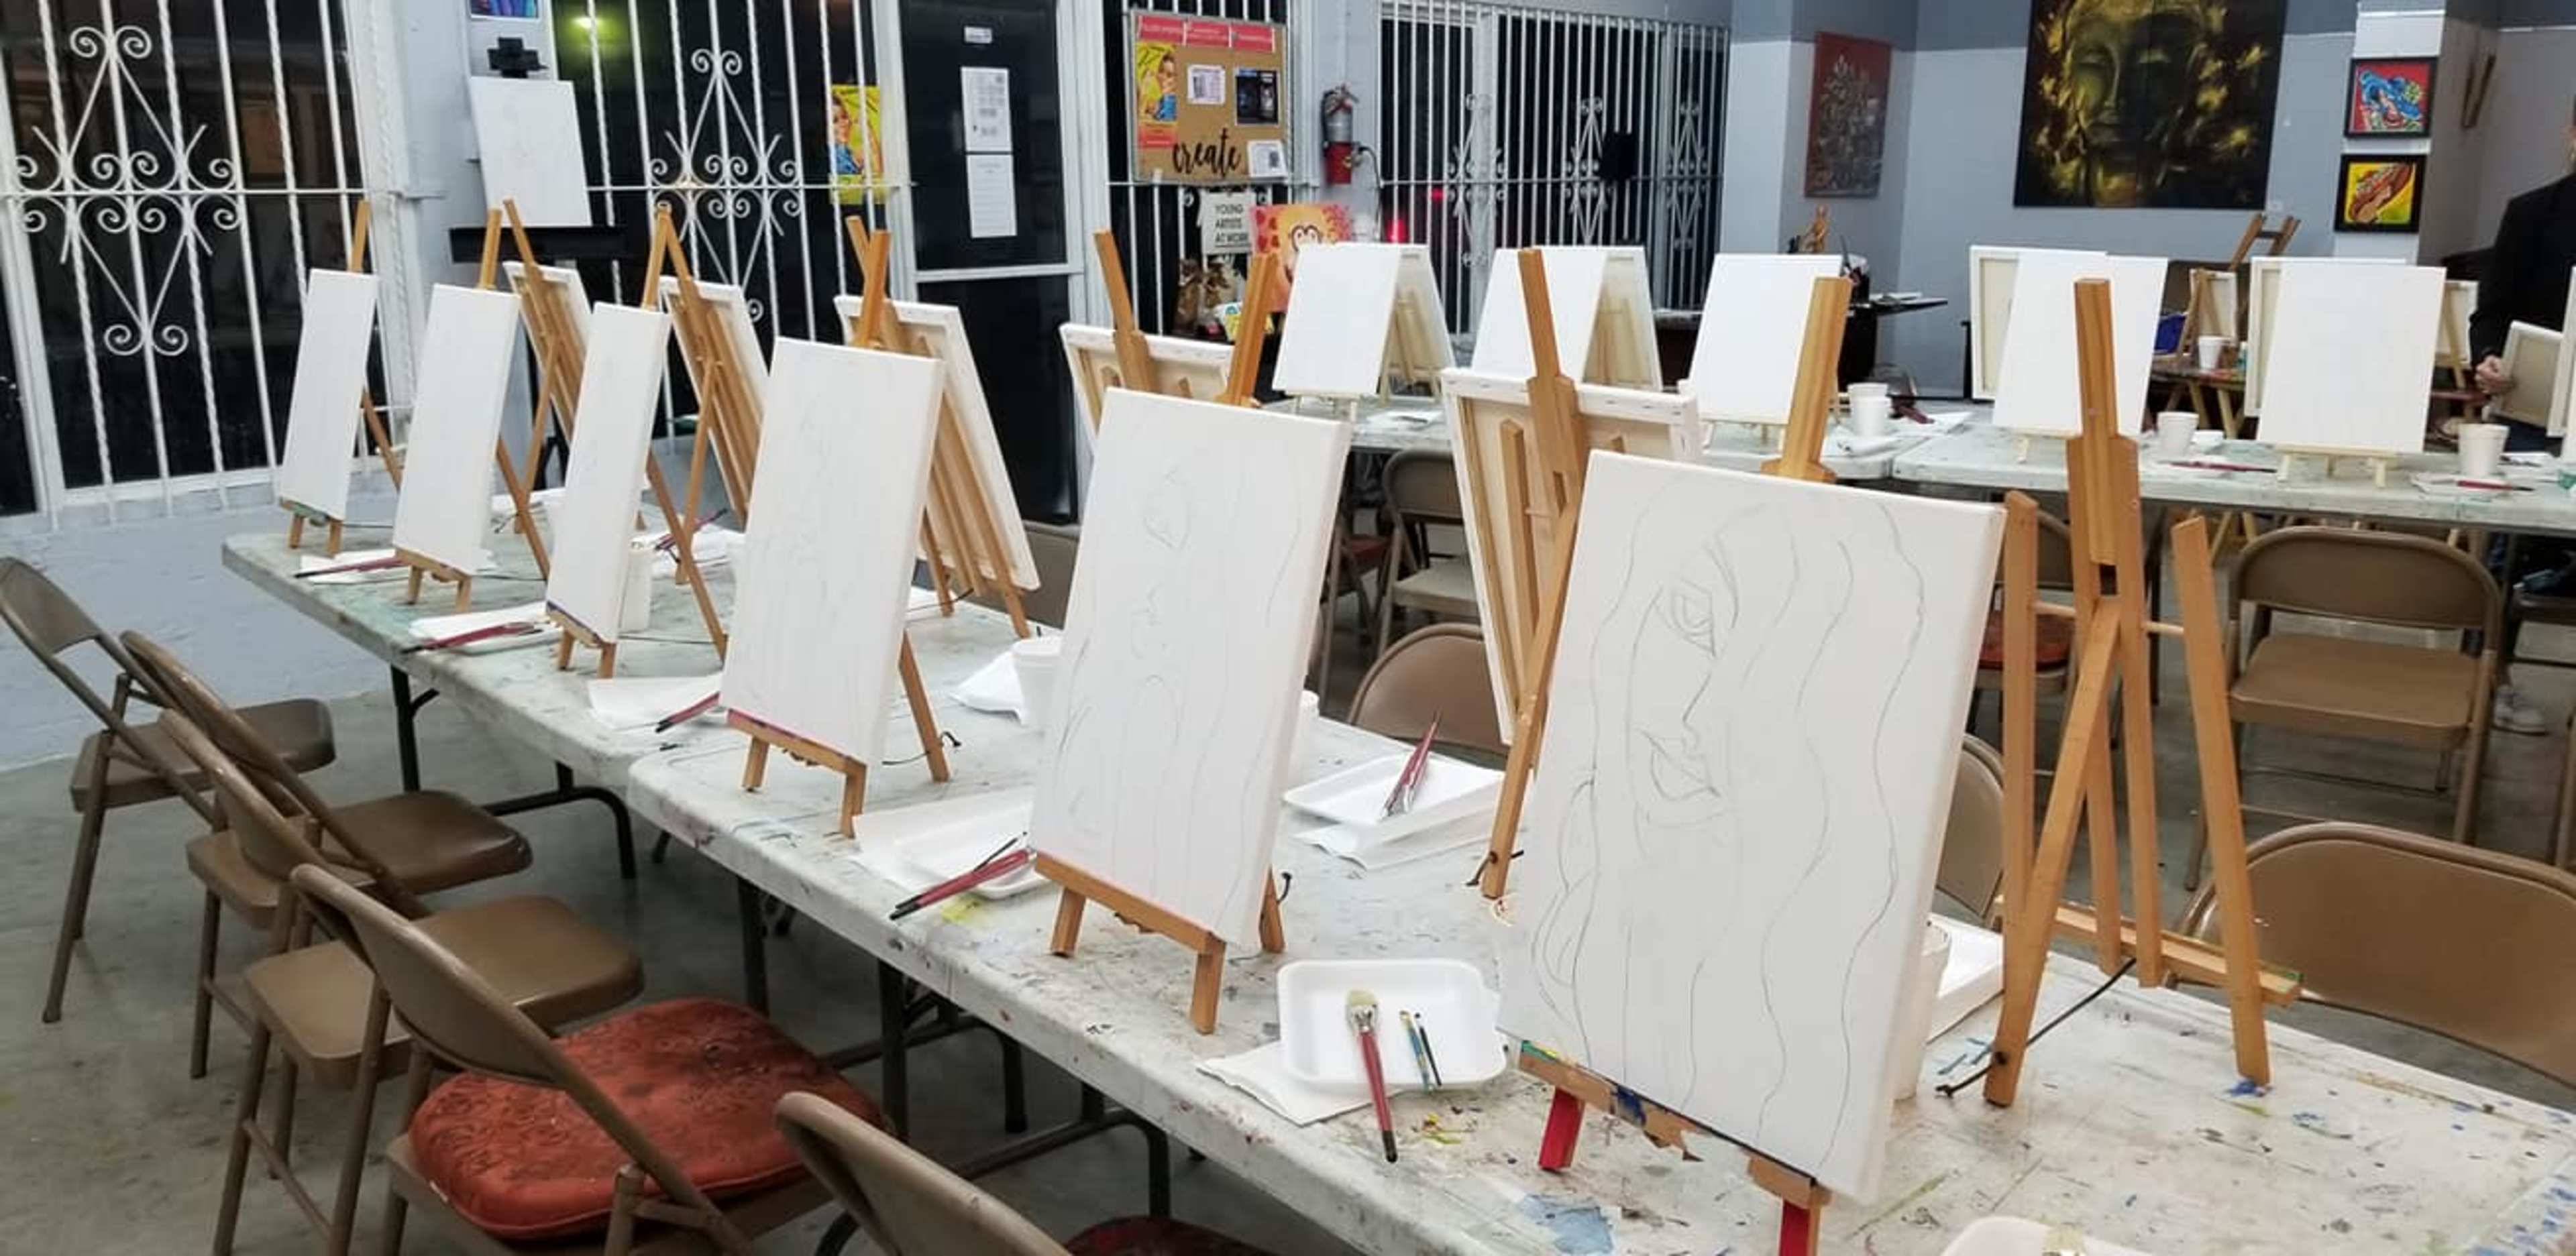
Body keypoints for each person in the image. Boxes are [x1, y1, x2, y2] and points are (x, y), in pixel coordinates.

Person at [2472, 96, 2576, 734]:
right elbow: (2491, 312)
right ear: (2571, 134)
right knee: (2505, 549)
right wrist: (2487, 357)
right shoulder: (2534, 213)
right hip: (2534, 407)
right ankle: (2492, 674)